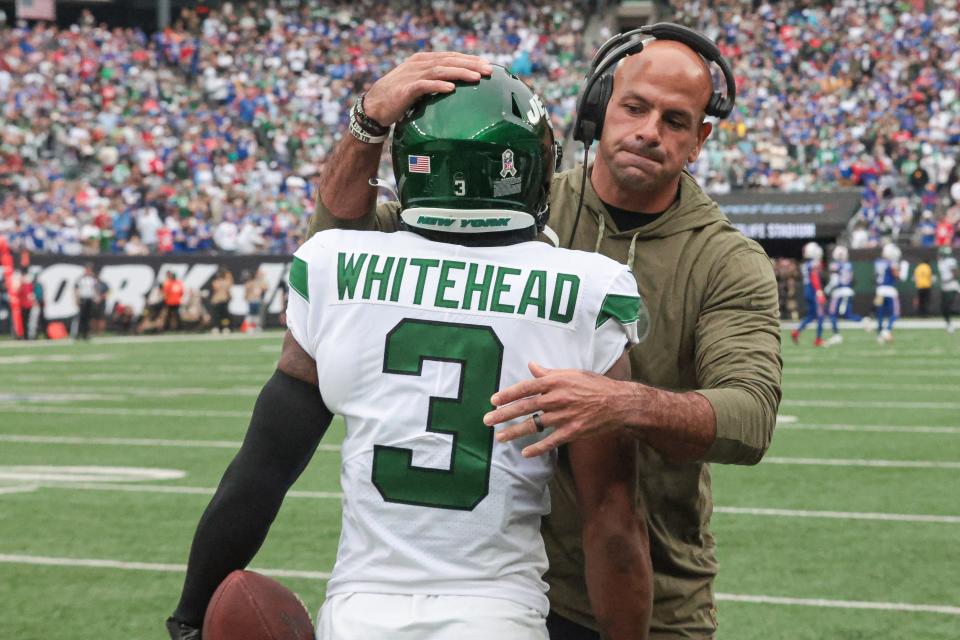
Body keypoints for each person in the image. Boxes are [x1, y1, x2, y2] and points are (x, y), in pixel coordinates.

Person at [309, 35, 781, 639]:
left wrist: (620, 403)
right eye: (635, 107)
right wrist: (368, 123)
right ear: (598, 109)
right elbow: (339, 242)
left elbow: (749, 417)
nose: (649, 131)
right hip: (503, 589)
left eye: (675, 120)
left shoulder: (725, 260)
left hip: (658, 596)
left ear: (699, 139)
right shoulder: (511, 201)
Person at [167, 68, 651, 640]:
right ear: (526, 168)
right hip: (496, 615)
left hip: (358, 615)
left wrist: (192, 612)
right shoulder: (588, 289)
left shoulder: (332, 265)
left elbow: (261, 471)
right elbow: (612, 522)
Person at [791, 242, 826, 347]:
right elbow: (814, 277)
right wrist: (819, 292)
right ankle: (818, 339)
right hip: (813, 290)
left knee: (811, 315)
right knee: (820, 315)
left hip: (807, 290)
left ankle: (796, 331)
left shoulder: (805, 265)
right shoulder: (813, 264)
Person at [824, 244, 860, 345]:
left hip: (838, 291)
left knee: (835, 314)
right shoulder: (849, 264)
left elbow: (834, 280)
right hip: (847, 291)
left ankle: (837, 334)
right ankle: (836, 335)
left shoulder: (835, 265)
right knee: (842, 314)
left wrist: (827, 290)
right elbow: (852, 278)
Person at [873, 243, 902, 344]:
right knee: (895, 313)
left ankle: (879, 335)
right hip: (890, 290)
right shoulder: (891, 262)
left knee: (880, 313)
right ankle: (887, 330)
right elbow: (896, 275)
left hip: (879, 290)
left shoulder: (877, 262)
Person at [937, 245, 959, 333]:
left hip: (951, 286)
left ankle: (950, 325)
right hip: (945, 286)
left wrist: (947, 280)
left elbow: (955, 273)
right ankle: (949, 324)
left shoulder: (950, 261)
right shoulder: (941, 262)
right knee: (943, 307)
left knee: (947, 306)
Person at [74, 263, 99, 340]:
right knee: (81, 317)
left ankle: (86, 334)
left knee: (88, 318)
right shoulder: (81, 279)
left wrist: (96, 297)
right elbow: (77, 289)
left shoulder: (93, 279)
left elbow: (95, 289)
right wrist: (77, 299)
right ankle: (78, 333)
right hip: (83, 299)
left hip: (90, 299)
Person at [242, 268, 268, 333]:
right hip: (252, 300)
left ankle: (257, 326)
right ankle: (250, 327)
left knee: (257, 315)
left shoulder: (259, 282)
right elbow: (247, 291)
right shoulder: (250, 283)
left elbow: (265, 288)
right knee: (251, 314)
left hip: (257, 300)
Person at [209, 266, 233, 334]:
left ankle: (225, 327)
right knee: (216, 316)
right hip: (216, 301)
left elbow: (229, 284)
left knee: (225, 316)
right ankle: (216, 327)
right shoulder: (216, 282)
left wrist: (227, 273)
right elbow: (216, 288)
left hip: (224, 301)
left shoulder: (226, 282)